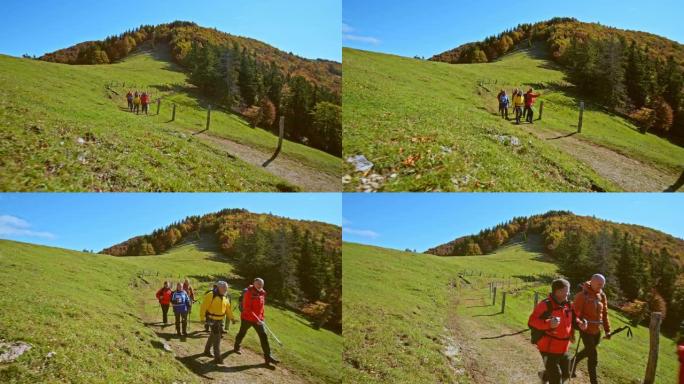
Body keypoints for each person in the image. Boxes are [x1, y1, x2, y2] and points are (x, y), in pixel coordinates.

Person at [529, 278, 584, 384]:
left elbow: (574, 320)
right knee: (556, 378)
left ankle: (544, 376)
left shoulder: (568, 305)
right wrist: (548, 323)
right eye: (566, 291)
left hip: (563, 348)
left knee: (566, 374)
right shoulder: (545, 305)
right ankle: (548, 376)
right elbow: (532, 322)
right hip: (548, 348)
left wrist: (580, 324)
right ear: (557, 291)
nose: (568, 294)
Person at [572, 274, 611, 384]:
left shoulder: (602, 295)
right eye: (599, 284)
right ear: (592, 282)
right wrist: (580, 323)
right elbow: (575, 313)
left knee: (588, 351)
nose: (601, 287)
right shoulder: (582, 295)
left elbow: (605, 314)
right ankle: (594, 382)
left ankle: (572, 363)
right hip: (586, 330)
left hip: (597, 330)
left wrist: (607, 330)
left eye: (603, 285)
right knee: (593, 356)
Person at [234, 278, 280, 366]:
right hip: (247, 318)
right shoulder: (248, 292)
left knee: (264, 337)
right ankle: (236, 346)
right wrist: (257, 319)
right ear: (254, 284)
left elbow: (262, 308)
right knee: (242, 332)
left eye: (261, 284)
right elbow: (247, 308)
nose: (260, 285)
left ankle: (268, 358)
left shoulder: (262, 293)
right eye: (258, 284)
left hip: (258, 320)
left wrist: (261, 318)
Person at [199, 281, 235, 364]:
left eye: (227, 288)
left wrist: (232, 318)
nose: (226, 289)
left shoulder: (225, 296)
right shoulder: (210, 295)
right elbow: (203, 307)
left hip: (220, 320)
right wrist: (202, 318)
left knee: (213, 335)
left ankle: (206, 351)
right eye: (224, 288)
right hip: (212, 319)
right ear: (218, 288)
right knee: (217, 338)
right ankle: (217, 358)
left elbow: (228, 309)